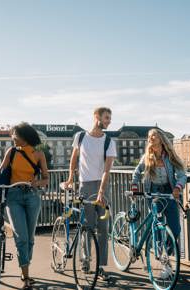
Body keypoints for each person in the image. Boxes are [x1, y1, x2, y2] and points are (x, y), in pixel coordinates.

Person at [0, 122, 48, 290]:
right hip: (13, 196)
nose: (12, 138)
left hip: (33, 196)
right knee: (21, 237)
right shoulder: (11, 152)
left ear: (24, 137)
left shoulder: (39, 154)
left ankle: (25, 265)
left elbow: (46, 179)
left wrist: (37, 182)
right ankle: (25, 275)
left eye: (15, 135)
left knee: (30, 238)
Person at [64, 107, 117, 281]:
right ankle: (85, 261)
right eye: (106, 117)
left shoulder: (109, 141)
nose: (109, 121)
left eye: (110, 118)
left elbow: (107, 170)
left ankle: (101, 267)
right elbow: (74, 158)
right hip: (85, 187)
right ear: (96, 117)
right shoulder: (80, 137)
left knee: (103, 228)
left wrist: (102, 191)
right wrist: (71, 178)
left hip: (102, 186)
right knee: (87, 226)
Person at [131, 128, 187, 277]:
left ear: (161, 139)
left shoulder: (170, 156)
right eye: (149, 136)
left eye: (154, 135)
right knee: (158, 227)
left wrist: (178, 187)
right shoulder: (147, 157)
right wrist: (135, 186)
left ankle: (167, 252)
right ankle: (165, 263)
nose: (151, 138)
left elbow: (182, 175)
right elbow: (136, 173)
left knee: (175, 229)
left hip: (170, 193)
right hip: (153, 194)